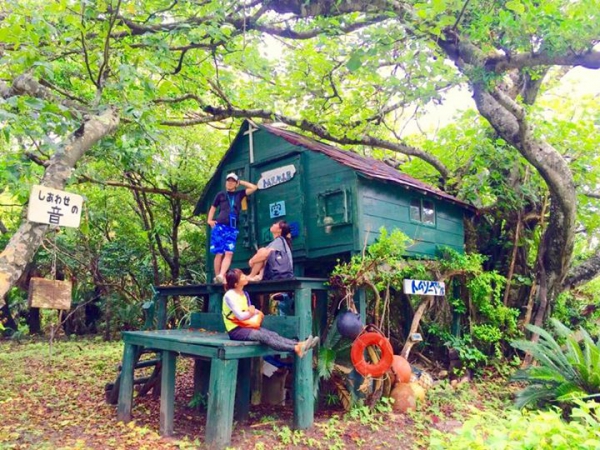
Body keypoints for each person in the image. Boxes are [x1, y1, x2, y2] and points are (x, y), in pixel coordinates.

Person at [223, 269, 318, 356]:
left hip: (246, 326)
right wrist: (251, 313)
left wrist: (256, 311)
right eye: (242, 277)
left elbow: (247, 309)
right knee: (264, 337)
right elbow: (240, 316)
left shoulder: (244, 293)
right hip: (236, 331)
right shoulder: (229, 296)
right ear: (236, 284)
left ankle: (299, 344)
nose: (245, 276)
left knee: (273, 335)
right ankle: (296, 348)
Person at [207, 173, 258, 284]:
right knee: (219, 253)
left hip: (232, 227)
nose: (230, 183)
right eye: (228, 181)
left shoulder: (239, 194)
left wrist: (241, 182)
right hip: (219, 225)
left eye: (232, 181)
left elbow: (254, 187)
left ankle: (222, 274)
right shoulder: (221, 195)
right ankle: (217, 276)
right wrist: (209, 220)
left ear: (236, 183)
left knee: (229, 252)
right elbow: (212, 208)